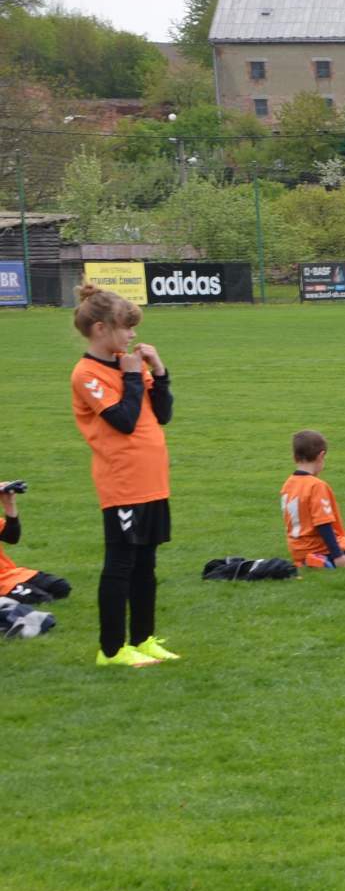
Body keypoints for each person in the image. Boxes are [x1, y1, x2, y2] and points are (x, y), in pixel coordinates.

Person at [68, 284, 179, 667]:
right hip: (122, 483)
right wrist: (132, 376)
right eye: (126, 327)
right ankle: (112, 650)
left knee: (146, 564)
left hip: (152, 480)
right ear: (101, 329)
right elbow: (124, 421)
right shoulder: (86, 373)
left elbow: (162, 414)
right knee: (120, 564)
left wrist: (159, 372)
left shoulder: (128, 364)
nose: (133, 334)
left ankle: (143, 639)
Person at [281, 430, 345, 570]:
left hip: (297, 550)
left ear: (294, 457)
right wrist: (338, 555)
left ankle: (307, 559)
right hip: (318, 547)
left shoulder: (288, 485)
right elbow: (323, 523)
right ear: (321, 456)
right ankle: (322, 560)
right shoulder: (316, 486)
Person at [0, 481, 72, 606]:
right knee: (42, 599)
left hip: (9, 573)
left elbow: (12, 537)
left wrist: (8, 503)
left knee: (61, 587)